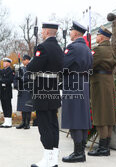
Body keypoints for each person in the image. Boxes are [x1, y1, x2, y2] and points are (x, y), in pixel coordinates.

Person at [27, 22, 63, 167]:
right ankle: (52, 159)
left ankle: (47, 160)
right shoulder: (59, 48)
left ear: (47, 32)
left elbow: (32, 67)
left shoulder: (43, 47)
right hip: (53, 90)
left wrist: (30, 63)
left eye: (42, 31)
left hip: (42, 91)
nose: (41, 33)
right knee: (53, 125)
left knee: (45, 126)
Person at [61, 21, 93, 163]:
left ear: (75, 33)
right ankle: (81, 150)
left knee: (74, 117)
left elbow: (63, 65)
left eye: (71, 31)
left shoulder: (72, 47)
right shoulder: (86, 48)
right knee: (82, 117)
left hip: (73, 83)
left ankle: (78, 153)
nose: (70, 33)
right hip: (84, 83)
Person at [88, 26, 116, 156]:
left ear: (102, 37)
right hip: (109, 82)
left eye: (98, 35)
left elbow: (89, 65)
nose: (96, 37)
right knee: (109, 115)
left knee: (100, 115)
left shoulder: (98, 50)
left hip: (99, 83)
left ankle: (103, 148)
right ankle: (106, 146)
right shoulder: (111, 49)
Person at [15, 54, 33, 130]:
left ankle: (27, 123)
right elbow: (16, 78)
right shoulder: (21, 68)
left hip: (28, 89)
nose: (23, 61)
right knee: (22, 107)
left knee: (27, 107)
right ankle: (23, 122)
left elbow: (30, 78)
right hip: (22, 89)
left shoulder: (31, 68)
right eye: (22, 60)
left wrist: (22, 78)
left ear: (28, 60)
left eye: (24, 59)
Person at [0, 57, 15, 128]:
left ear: (9, 63)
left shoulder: (11, 71)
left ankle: (9, 122)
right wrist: (2, 80)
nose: (4, 63)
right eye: (3, 62)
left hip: (7, 91)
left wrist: (2, 80)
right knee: (4, 106)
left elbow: (10, 80)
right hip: (2, 91)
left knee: (8, 106)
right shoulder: (1, 71)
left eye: (5, 62)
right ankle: (6, 121)